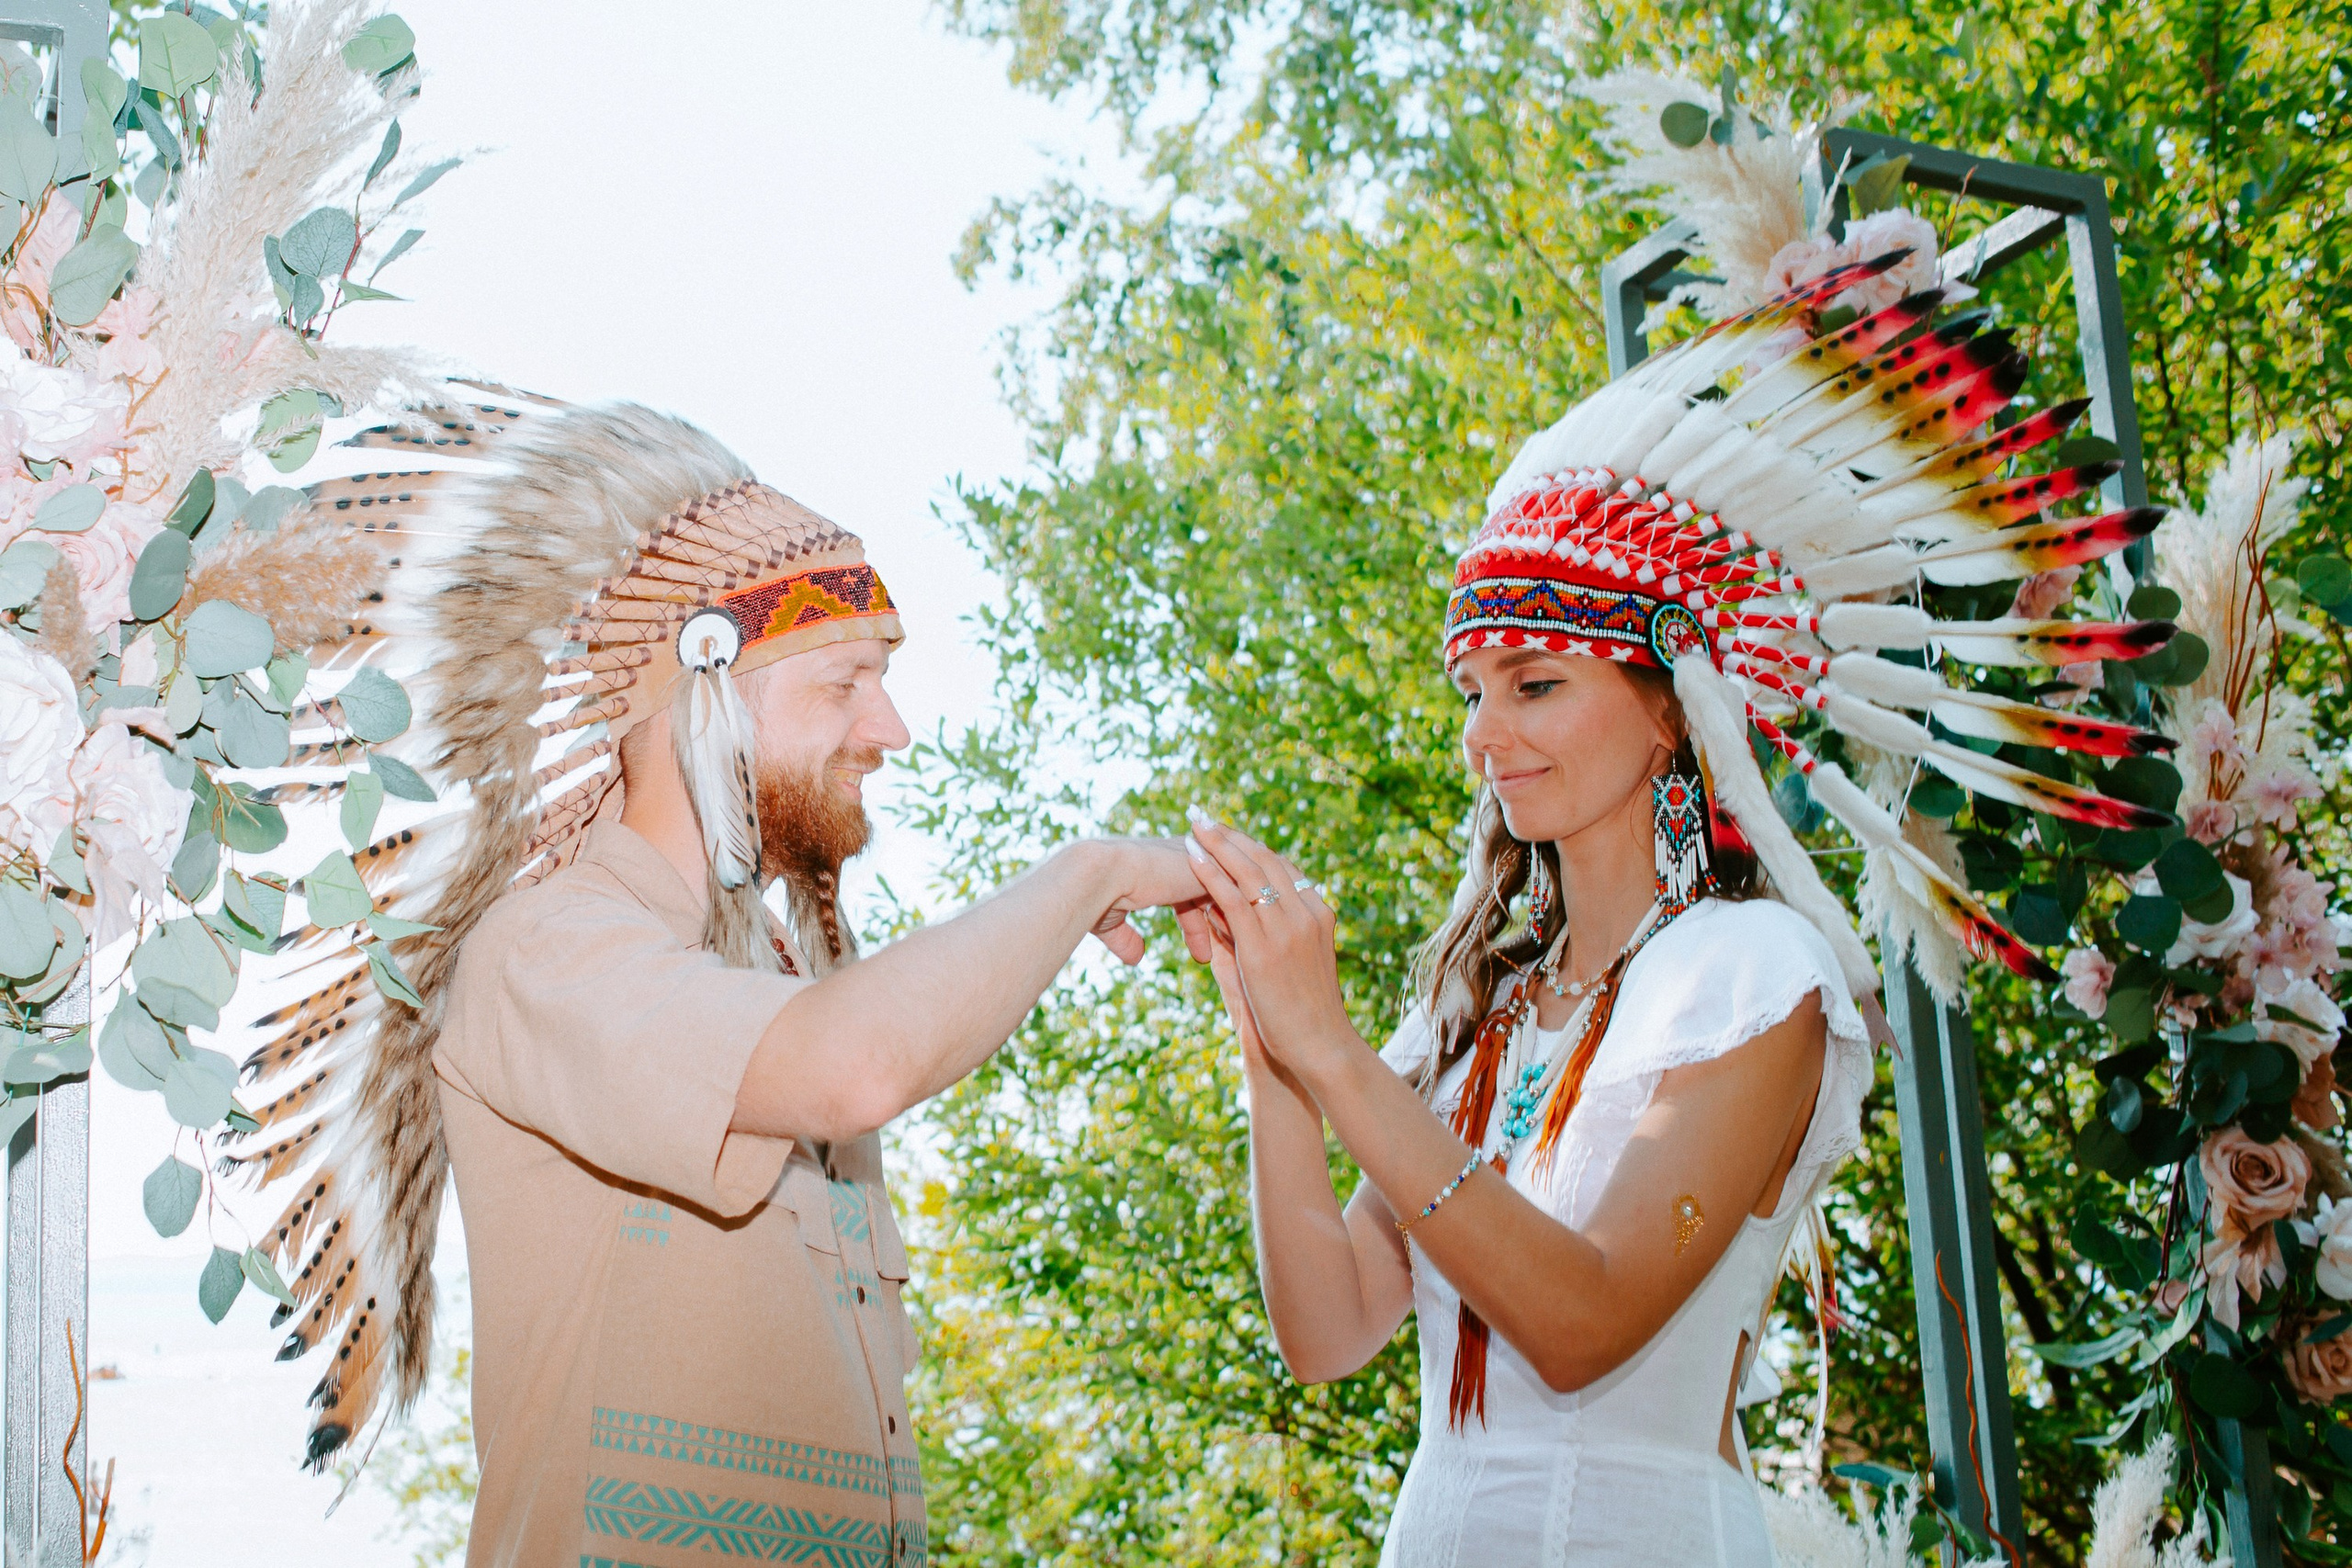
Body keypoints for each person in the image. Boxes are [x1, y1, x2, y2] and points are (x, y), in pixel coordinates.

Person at [1183, 254, 2176, 1564]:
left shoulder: (1755, 970)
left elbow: (1583, 1317)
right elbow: (1330, 1330)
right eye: (1472, 689)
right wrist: (1271, 1050)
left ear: (1669, 709)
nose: (1485, 732)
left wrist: (1332, 1051)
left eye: (1535, 684)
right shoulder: (1483, 1010)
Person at [225, 401, 1204, 1568]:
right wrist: (1086, 869)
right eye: (844, 683)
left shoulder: (766, 981)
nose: (888, 726)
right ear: (701, 683)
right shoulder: (549, 951)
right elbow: (857, 1067)